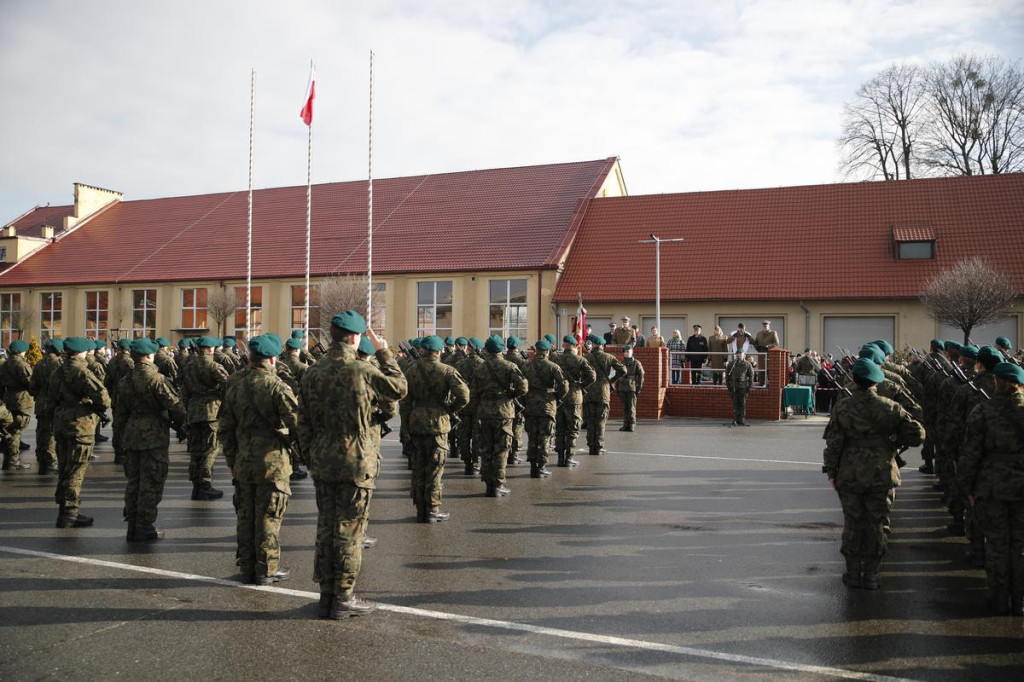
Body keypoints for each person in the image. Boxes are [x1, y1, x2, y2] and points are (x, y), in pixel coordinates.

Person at [298, 311, 408, 619]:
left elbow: (302, 421)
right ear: (355, 337)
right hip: (356, 461)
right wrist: (384, 350)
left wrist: (310, 454)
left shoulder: (311, 372)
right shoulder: (363, 370)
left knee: (326, 526)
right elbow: (399, 388)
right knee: (349, 530)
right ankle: (344, 598)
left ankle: (326, 595)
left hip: (322, 460)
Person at [822, 358, 924, 590]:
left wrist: (831, 471)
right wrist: (894, 441)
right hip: (882, 472)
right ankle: (871, 574)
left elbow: (834, 443)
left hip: (850, 472)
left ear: (855, 381)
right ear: (876, 382)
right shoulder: (890, 406)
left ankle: (853, 572)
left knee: (853, 523)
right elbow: (918, 434)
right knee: (878, 524)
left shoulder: (843, 406)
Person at [220, 334, 299, 584]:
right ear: (274, 359)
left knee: (246, 516)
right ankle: (266, 568)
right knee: (269, 517)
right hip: (272, 462)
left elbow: (225, 428)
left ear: (251, 358)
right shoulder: (277, 387)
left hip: (243, 461)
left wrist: (232, 460)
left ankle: (246, 566)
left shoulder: (235, 386)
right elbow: (297, 424)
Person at [958, 361, 1024, 615]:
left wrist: (967, 489)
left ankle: (998, 598)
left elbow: (969, 455)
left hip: (991, 487)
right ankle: (1019, 601)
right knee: (1020, 545)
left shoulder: (982, 411)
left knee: (996, 544)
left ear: (996, 381)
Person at [116, 338, 187, 542]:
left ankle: (132, 524)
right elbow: (177, 407)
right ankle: (144, 526)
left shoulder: (125, 380)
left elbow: (119, 414)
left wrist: (122, 436)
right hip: (153, 435)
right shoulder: (157, 379)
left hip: (132, 433)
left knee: (134, 481)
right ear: (149, 356)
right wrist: (181, 425)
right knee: (152, 481)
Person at [405, 335, 469, 522]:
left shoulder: (411, 370)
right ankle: (432, 509)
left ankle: (420, 509)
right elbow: (464, 395)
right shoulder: (447, 370)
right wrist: (450, 408)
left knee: (418, 466)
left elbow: (405, 401)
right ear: (439, 351)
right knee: (435, 468)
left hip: (416, 421)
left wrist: (408, 420)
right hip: (438, 422)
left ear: (423, 350)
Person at [49, 336, 111, 528]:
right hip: (80, 425)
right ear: (82, 351)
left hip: (61, 421)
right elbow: (103, 398)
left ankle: (63, 509)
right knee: (76, 470)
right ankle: (70, 514)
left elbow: (50, 397)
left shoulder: (58, 371)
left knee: (64, 467)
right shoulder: (82, 371)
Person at [470, 335, 528, 496]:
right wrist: (511, 394)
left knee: (486, 448)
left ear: (487, 349)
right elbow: (523, 387)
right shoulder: (509, 366)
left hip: (484, 411)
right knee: (502, 449)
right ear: (501, 349)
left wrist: (477, 411)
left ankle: (488, 483)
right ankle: (498, 484)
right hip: (504, 411)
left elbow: (473, 393)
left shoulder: (480, 368)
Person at [180, 336, 230, 501]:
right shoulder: (214, 366)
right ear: (210, 349)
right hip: (211, 411)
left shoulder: (189, 366)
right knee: (210, 449)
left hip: (194, 411)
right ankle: (205, 485)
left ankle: (196, 485)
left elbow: (184, 392)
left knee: (196, 450)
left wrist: (187, 410)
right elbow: (228, 386)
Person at [521, 338, 567, 478]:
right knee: (545, 437)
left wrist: (524, 401)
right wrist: (557, 397)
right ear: (547, 351)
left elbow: (521, 385)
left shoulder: (526, 365)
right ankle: (541, 467)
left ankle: (533, 467)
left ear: (536, 351)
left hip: (530, 405)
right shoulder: (553, 367)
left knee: (532, 437)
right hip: (547, 405)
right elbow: (563, 385)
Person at [550, 335, 596, 468]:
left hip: (559, 396)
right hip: (574, 395)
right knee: (573, 428)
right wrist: (581, 385)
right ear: (575, 346)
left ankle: (560, 458)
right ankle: (569, 458)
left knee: (560, 428)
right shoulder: (579, 359)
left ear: (564, 345)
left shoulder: (556, 359)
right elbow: (592, 376)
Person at [583, 335, 626, 455]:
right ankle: (599, 446)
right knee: (601, 420)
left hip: (589, 391)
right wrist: (612, 380)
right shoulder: (609, 357)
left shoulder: (586, 357)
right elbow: (623, 370)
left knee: (590, 421)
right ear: (602, 345)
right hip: (603, 391)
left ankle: (591, 446)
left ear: (594, 345)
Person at [29, 338, 64, 474]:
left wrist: (39, 395)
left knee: (41, 432)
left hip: (41, 402)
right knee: (51, 433)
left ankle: (42, 460)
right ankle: (50, 461)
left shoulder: (39, 364)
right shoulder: (58, 363)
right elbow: (59, 385)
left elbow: (32, 386)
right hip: (52, 402)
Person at [0, 340, 34, 471]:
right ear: (21, 351)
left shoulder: (4, 364)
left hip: (8, 399)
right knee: (16, 431)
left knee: (9, 429)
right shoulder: (22, 364)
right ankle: (13, 461)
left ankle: (8, 460)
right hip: (21, 400)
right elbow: (30, 383)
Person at [616, 344, 645, 431]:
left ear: (632, 352)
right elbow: (617, 375)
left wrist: (639, 387)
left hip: (631, 387)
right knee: (625, 407)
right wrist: (617, 387)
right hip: (622, 387)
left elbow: (641, 376)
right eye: (625, 352)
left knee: (631, 407)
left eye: (628, 351)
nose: (626, 353)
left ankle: (632, 424)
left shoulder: (636, 363)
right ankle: (626, 424)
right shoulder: (621, 363)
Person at [726, 349, 754, 426]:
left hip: (743, 386)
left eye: (740, 353)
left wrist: (748, 387)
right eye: (737, 354)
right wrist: (729, 386)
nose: (738, 355)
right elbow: (727, 376)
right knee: (735, 403)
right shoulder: (732, 364)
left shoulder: (747, 364)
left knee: (742, 403)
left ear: (743, 354)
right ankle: (735, 419)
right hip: (734, 386)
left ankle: (741, 419)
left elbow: (751, 376)